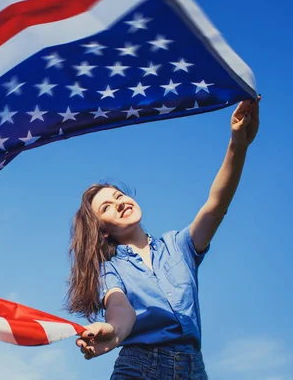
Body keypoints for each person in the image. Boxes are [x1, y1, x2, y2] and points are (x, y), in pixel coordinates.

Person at [65, 96, 261, 379]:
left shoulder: (179, 246)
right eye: (107, 207)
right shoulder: (112, 269)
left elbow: (216, 204)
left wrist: (237, 145)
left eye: (119, 196)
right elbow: (120, 308)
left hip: (194, 369)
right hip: (139, 367)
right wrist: (112, 331)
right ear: (103, 230)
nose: (119, 203)